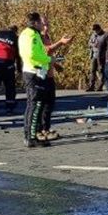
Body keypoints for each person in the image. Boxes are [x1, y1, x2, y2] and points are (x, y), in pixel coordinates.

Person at [18, 12, 71, 148]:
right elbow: (32, 54)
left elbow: (39, 51)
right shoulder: (31, 35)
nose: (44, 26)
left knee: (36, 105)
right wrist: (49, 60)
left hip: (36, 72)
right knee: (35, 105)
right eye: (42, 23)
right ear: (35, 23)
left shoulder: (29, 33)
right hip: (34, 73)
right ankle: (31, 137)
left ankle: (32, 135)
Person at [86, 23, 105, 91]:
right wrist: (93, 44)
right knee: (92, 70)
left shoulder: (104, 35)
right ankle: (91, 86)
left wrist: (99, 45)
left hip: (101, 56)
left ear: (99, 29)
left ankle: (100, 86)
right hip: (94, 55)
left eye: (96, 30)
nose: (95, 32)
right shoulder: (93, 35)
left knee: (101, 71)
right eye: (94, 31)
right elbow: (89, 43)